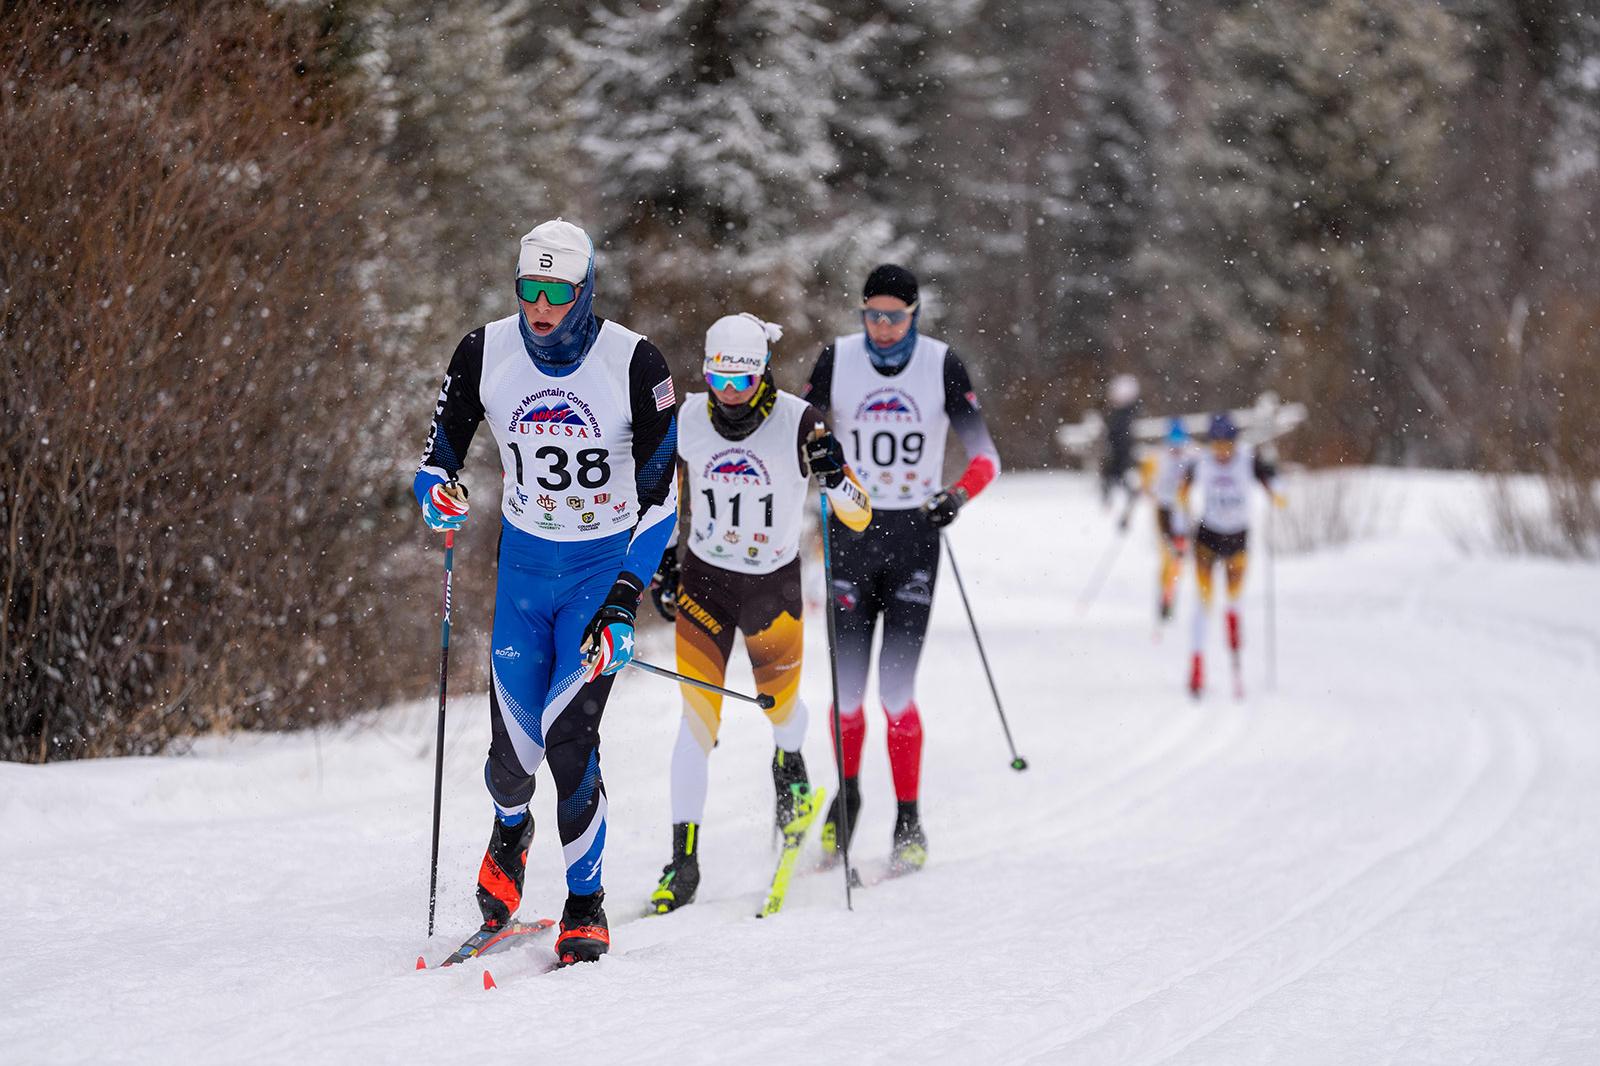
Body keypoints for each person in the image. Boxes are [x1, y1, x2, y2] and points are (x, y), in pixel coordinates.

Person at [412, 219, 679, 965]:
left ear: (585, 290)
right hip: (525, 572)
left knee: (570, 742)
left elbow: (663, 502)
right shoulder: (482, 351)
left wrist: (627, 600)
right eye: (529, 289)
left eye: (557, 293)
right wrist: (437, 491)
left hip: (600, 575)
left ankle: (584, 901)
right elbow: (437, 459)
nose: (540, 307)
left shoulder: (635, 363)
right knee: (509, 758)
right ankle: (510, 830)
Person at [647, 313, 872, 913]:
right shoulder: (687, 417)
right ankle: (683, 862)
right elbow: (661, 496)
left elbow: (858, 514)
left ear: (764, 375)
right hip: (705, 584)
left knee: (781, 710)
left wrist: (833, 478)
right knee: (696, 720)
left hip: (771, 589)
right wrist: (663, 566)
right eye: (719, 380)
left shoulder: (801, 422)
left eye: (742, 383)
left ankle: (790, 764)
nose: (729, 395)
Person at [803, 263, 1001, 875]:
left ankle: (908, 816)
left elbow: (985, 458)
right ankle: (850, 795)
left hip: (914, 535)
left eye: (894, 316)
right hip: (851, 530)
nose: (882, 328)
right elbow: (799, 435)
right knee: (848, 693)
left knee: (895, 692)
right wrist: (815, 455)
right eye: (872, 315)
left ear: (915, 314)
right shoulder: (836, 360)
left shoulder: (942, 364)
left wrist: (955, 497)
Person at [1180, 412, 1282, 699]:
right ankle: (1197, 668)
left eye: (1228, 444)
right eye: (1217, 444)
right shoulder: (1201, 463)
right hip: (1207, 542)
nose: (1223, 451)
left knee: (1234, 603)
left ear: (1236, 443)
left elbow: (1278, 491)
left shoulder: (1248, 460)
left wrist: (1274, 483)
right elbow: (1181, 493)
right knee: (1203, 604)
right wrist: (1181, 509)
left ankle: (1236, 658)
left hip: (1238, 542)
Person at [1139, 418, 1193, 624]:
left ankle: (1169, 595)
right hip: (1164, 511)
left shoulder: (1191, 456)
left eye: (1180, 442)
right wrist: (1149, 490)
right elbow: (1145, 482)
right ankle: (1164, 594)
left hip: (1182, 510)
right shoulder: (1157, 457)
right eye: (1173, 442)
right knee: (1167, 555)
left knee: (1179, 556)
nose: (1176, 448)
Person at [1100, 373, 1141, 508]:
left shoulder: (1122, 415)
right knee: (1115, 475)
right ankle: (1117, 497)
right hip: (1119, 451)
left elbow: (1119, 435)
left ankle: (1115, 499)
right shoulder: (1123, 414)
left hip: (1120, 452)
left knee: (1116, 475)